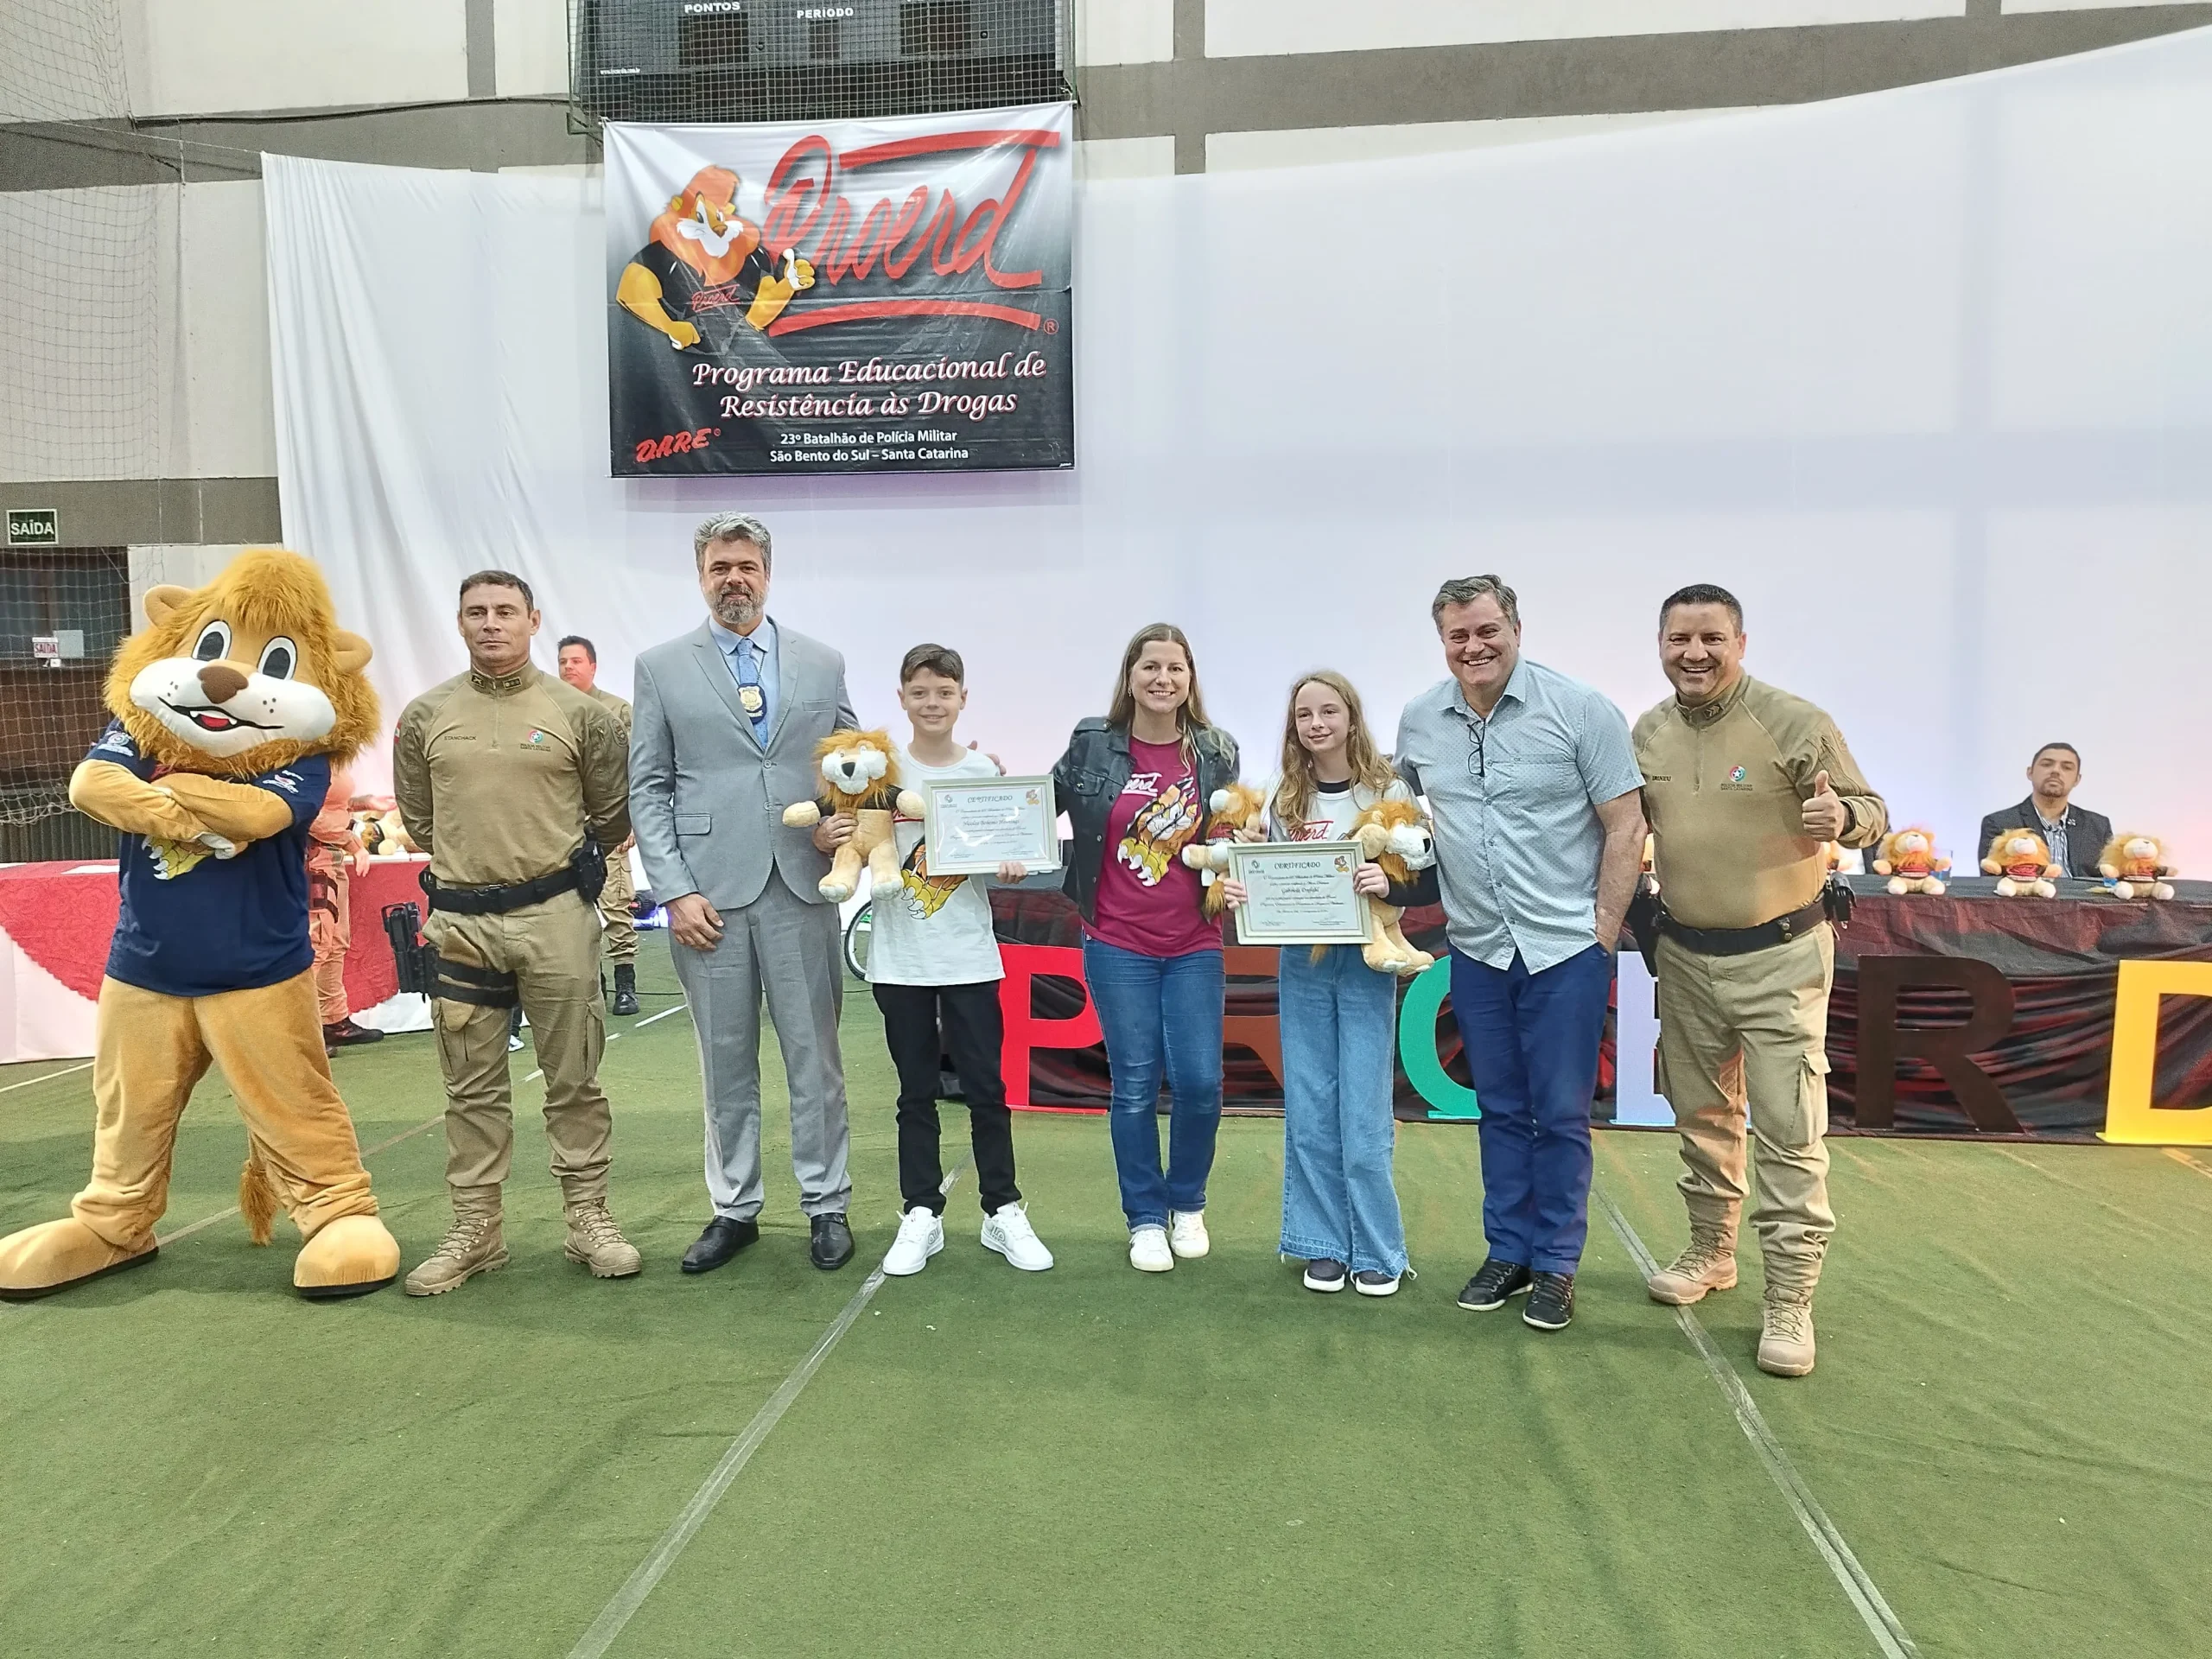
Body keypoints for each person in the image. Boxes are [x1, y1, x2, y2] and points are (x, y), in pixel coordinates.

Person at [1632, 584, 1887, 1377]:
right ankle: (1713, 1253)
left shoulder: (1795, 721)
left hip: (1782, 958)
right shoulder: (1646, 733)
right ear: (1661, 645)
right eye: (1679, 639)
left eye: (1711, 638)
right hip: (1683, 957)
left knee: (1789, 1127)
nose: (1694, 653)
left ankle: (1790, 1297)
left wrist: (1843, 821)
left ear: (1740, 643)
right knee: (1702, 1115)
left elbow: (1870, 808)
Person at [1395, 575, 1644, 1333]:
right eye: (1458, 636)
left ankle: (1558, 1264)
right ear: (1442, 641)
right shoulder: (1420, 721)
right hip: (1477, 950)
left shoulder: (1582, 710)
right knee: (1498, 1109)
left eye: (1487, 631)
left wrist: (1602, 933)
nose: (1474, 647)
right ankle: (1508, 1251)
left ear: (1516, 629)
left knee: (1560, 1114)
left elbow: (1626, 826)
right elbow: (1394, 814)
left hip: (1565, 950)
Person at [391, 570, 641, 1294]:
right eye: (477, 612)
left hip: (555, 919)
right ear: (459, 622)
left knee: (574, 1079)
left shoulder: (580, 714)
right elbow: (420, 819)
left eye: (506, 611)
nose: (491, 623)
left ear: (534, 620)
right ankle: (477, 1231)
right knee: (469, 1087)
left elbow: (612, 815)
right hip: (462, 924)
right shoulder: (426, 715)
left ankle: (588, 1219)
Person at [631, 512, 860, 1275]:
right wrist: (674, 891)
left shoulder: (822, 662)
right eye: (719, 566)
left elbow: (853, 766)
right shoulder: (660, 667)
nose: (734, 579)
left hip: (801, 886)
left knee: (815, 1058)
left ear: (768, 571)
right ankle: (735, 1208)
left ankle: (826, 1203)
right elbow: (648, 787)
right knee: (724, 1061)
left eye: (747, 566)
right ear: (701, 575)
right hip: (708, 899)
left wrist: (840, 829)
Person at [1222, 671, 1428, 1298]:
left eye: (1329, 711)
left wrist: (1388, 884)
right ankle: (1320, 1244)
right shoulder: (1284, 795)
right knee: (1310, 1104)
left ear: (1351, 717)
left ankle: (1377, 1249)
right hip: (1303, 964)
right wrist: (1244, 887)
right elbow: (1269, 877)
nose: (1316, 723)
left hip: (1366, 964)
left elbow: (1420, 870)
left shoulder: (1388, 788)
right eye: (1304, 714)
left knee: (1363, 1110)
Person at [1051, 624, 1239, 1274]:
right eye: (1150, 667)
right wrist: (993, 812)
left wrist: (1240, 865)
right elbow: (1036, 810)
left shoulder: (1216, 750)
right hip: (1115, 940)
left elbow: (1228, 834)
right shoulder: (1093, 744)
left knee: (1200, 1082)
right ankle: (1145, 1218)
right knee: (1134, 1084)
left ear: (1190, 679)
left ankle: (1187, 1203)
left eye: (1175, 668)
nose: (1163, 679)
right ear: (1129, 676)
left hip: (1195, 943)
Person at [873, 644, 1054, 1277]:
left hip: (971, 958)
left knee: (987, 1090)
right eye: (920, 692)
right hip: (899, 960)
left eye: (944, 693)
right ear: (902, 698)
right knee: (915, 1093)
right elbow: (851, 837)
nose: (933, 703)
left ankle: (1002, 1208)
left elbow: (1008, 840)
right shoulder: (880, 769)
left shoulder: (983, 771)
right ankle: (920, 1212)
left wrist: (1013, 861)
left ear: (963, 699)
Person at [557, 634, 642, 1016]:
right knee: (571, 912)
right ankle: (592, 984)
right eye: (563, 662)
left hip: (608, 827)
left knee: (616, 905)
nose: (568, 668)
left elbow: (638, 769)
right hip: (563, 828)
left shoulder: (617, 710)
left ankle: (625, 985)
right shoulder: (549, 709)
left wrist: (631, 821)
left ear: (592, 666)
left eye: (576, 661)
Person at [308, 764, 381, 1051]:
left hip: (329, 857)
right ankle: (301, 1029)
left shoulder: (331, 757)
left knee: (336, 942)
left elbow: (332, 805)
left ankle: (333, 1020)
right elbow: (308, 814)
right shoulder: (302, 756)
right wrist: (352, 841)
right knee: (316, 945)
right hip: (312, 859)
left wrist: (364, 803)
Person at [1978, 744, 2110, 880]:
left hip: (2083, 894)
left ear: (2077, 779)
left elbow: (2110, 878)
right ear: (2030, 772)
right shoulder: (1999, 823)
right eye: (2047, 764)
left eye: (2066, 767)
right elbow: (1990, 879)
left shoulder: (2098, 825)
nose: (2055, 771)